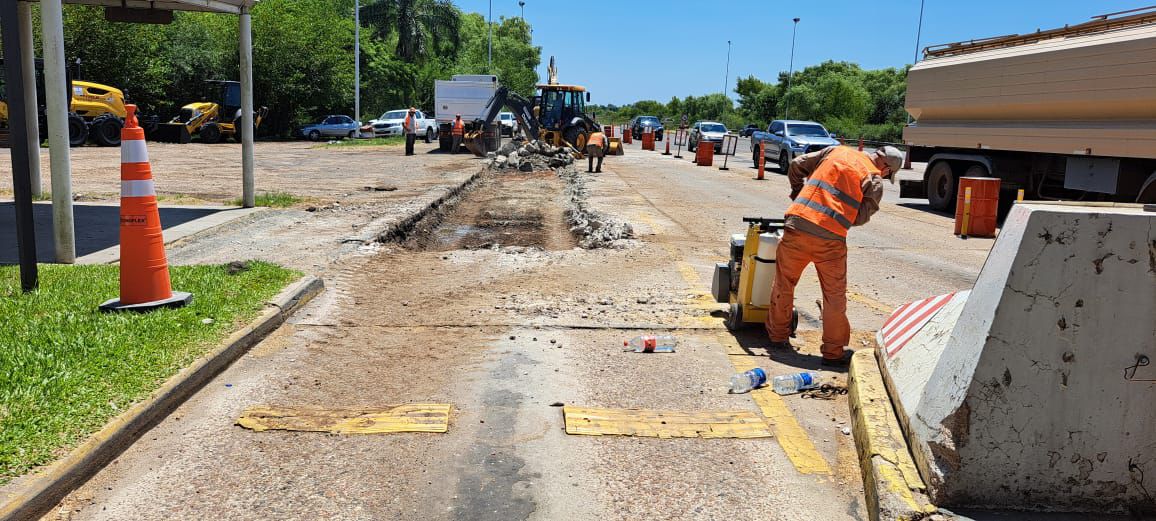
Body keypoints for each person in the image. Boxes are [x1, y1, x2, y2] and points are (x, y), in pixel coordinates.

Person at [767, 145, 904, 367]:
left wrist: (796, 193)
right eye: (889, 173)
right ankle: (833, 352)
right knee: (834, 296)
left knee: (784, 284)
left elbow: (796, 165)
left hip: (797, 224)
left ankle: (777, 337)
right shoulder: (874, 180)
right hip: (830, 240)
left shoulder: (836, 151)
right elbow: (859, 218)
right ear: (886, 166)